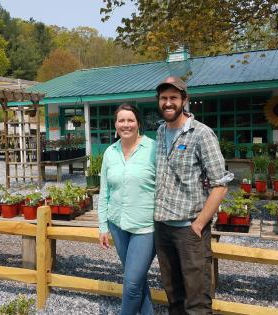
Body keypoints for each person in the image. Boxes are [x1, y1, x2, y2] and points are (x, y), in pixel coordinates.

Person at [154, 76, 233, 314]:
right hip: (163, 226)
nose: (168, 103)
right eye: (164, 98)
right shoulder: (160, 132)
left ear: (185, 100)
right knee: (173, 294)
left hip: (189, 229)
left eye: (173, 98)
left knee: (196, 299)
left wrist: (198, 225)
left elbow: (221, 184)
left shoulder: (202, 134)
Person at [98, 103, 156, 315]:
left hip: (145, 227)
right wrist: (103, 226)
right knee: (137, 280)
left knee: (131, 285)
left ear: (138, 123)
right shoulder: (110, 152)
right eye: (121, 120)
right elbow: (104, 191)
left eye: (130, 120)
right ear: (115, 124)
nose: (126, 124)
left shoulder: (154, 149)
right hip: (117, 224)